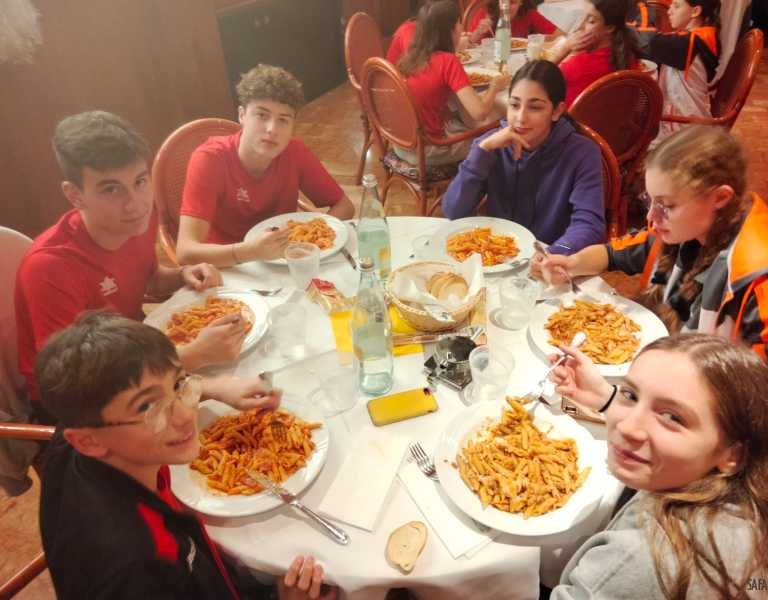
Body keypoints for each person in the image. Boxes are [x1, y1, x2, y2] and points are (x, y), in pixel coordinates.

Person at [36, 311, 337, 600]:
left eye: (179, 384)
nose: (185, 416)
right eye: (147, 407)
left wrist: (216, 387)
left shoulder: (80, 430)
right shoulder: (139, 570)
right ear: (87, 441)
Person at [532, 126, 768, 402]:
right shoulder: (690, 228)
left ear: (720, 198)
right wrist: (571, 263)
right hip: (663, 378)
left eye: (666, 205)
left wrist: (617, 404)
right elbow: (615, 253)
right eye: (650, 201)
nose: (651, 216)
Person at [14, 111, 244, 418]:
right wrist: (192, 357)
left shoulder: (136, 220)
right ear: (75, 195)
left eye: (140, 181)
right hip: (80, 403)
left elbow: (149, 280)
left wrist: (183, 274)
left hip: (137, 354)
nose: (135, 203)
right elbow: (76, 385)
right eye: (111, 189)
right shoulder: (49, 268)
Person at [547, 333, 768, 598]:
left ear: (732, 455)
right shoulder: (760, 506)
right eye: (630, 395)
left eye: (672, 417)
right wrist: (607, 399)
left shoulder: (638, 561)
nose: (627, 427)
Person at [177, 64, 354, 267]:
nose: (272, 129)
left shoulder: (294, 152)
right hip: (227, 268)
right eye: (262, 115)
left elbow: (344, 206)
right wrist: (251, 252)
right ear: (242, 115)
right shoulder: (210, 159)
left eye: (283, 120)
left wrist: (312, 237)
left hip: (283, 263)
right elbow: (185, 252)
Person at [442, 60, 605, 254]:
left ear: (557, 111)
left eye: (535, 108)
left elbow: (589, 225)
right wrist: (482, 151)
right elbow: (454, 211)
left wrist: (554, 253)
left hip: (553, 258)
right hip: (499, 256)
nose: (520, 118)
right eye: (514, 105)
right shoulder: (492, 145)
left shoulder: (582, 153)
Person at [395, 0, 511, 166]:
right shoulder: (448, 61)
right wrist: (495, 86)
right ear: (450, 30)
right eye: (459, 24)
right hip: (428, 151)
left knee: (461, 118)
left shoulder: (411, 57)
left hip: (401, 143)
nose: (462, 29)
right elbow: (479, 113)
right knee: (498, 131)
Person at [636, 0, 720, 138]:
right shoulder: (705, 35)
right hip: (693, 120)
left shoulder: (687, 43)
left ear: (695, 11)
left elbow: (648, 42)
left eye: (676, 6)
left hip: (682, 129)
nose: (669, 11)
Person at [547, 0, 641, 106]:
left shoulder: (578, 65)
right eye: (581, 16)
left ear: (610, 28)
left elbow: (535, 80)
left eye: (591, 21)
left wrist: (565, 48)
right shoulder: (628, 54)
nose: (580, 26)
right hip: (615, 116)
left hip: (574, 116)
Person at [466, 0, 558, 44]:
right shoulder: (485, 13)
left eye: (513, 2)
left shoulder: (529, 14)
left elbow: (559, 35)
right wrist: (478, 32)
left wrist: (538, 39)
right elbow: (469, 44)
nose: (507, 6)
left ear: (521, 2)